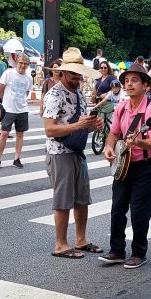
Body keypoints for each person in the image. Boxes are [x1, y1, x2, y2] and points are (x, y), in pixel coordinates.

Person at [99, 63, 151, 268]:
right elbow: (114, 133)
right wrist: (109, 148)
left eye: (134, 80)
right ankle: (116, 250)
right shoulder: (121, 107)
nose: (129, 84)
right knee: (117, 208)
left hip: (146, 166)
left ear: (146, 86)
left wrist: (138, 142)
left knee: (140, 211)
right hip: (124, 163)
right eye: (126, 81)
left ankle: (138, 252)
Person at [42, 47, 103, 259]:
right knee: (63, 200)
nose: (77, 77)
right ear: (64, 72)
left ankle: (81, 239)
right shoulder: (54, 95)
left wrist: (93, 125)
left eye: (79, 73)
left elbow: (80, 124)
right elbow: (49, 129)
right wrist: (78, 126)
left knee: (82, 198)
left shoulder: (78, 94)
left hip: (77, 150)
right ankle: (60, 244)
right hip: (59, 152)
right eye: (74, 73)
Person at [0, 52, 33, 170]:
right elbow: (0, 90)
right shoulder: (8, 73)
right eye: (21, 63)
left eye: (25, 64)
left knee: (20, 134)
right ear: (16, 62)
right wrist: (4, 102)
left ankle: (17, 158)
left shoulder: (29, 78)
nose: (23, 65)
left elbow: (26, 93)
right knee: (4, 133)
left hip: (22, 109)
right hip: (8, 108)